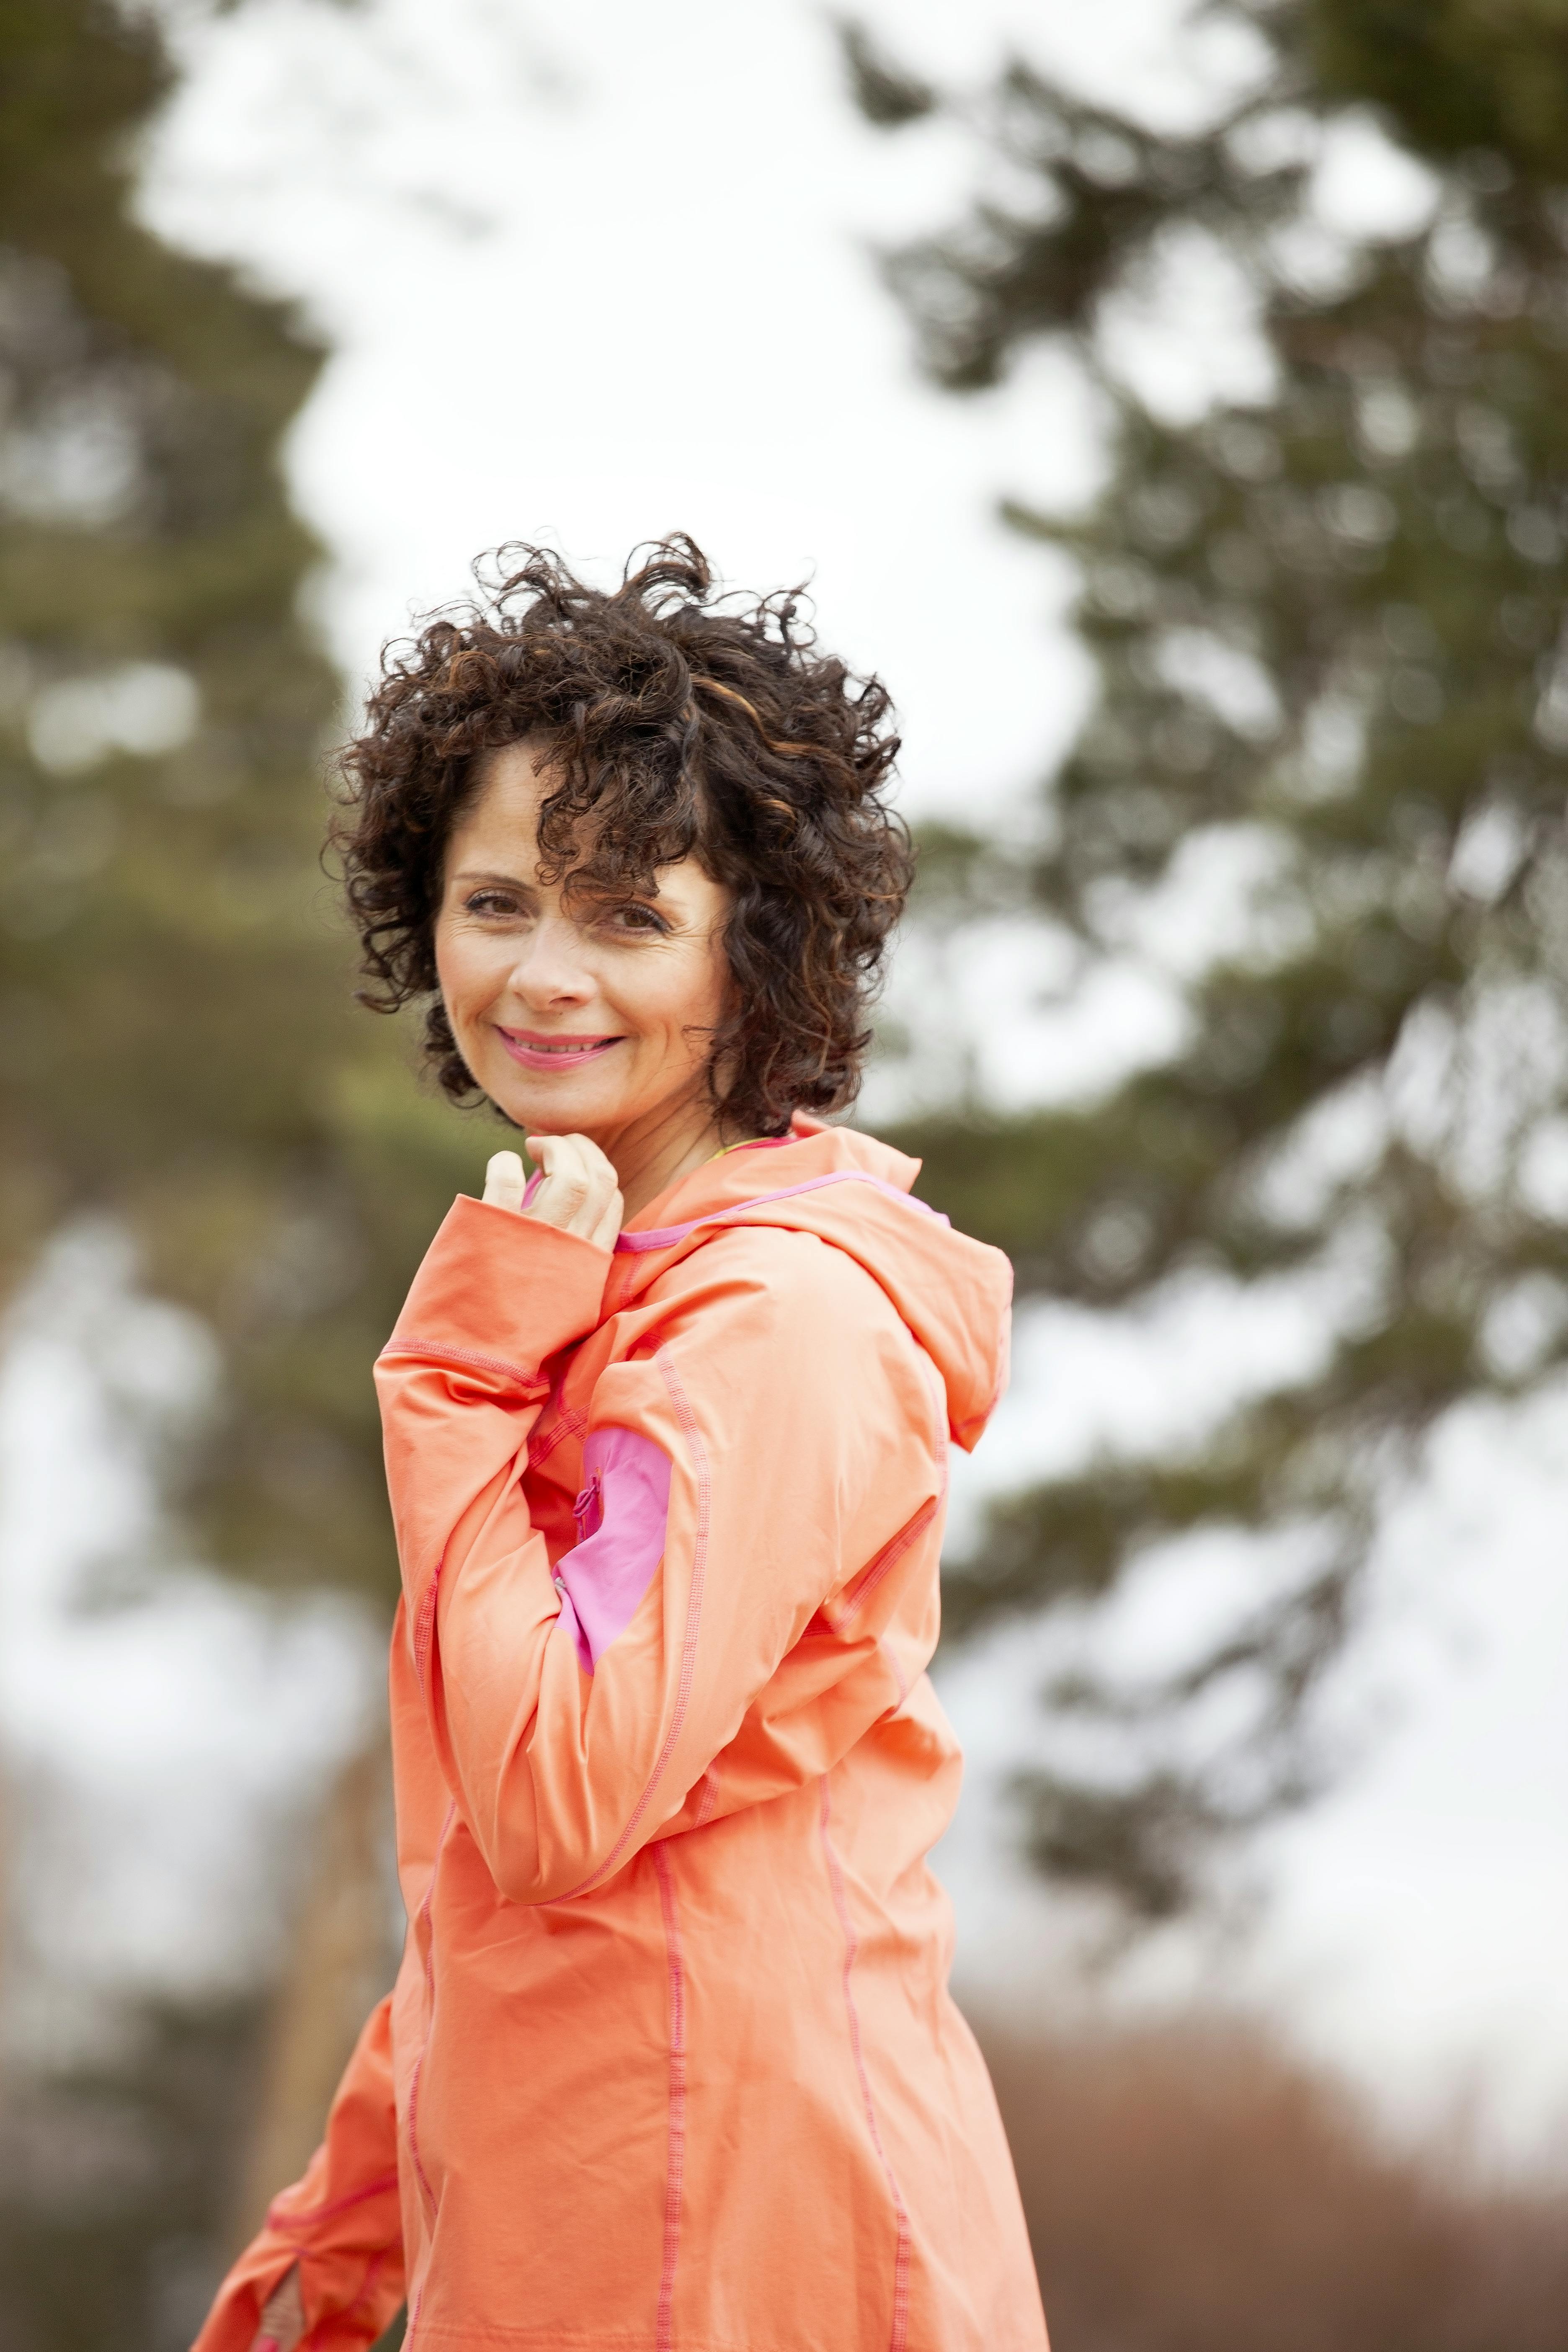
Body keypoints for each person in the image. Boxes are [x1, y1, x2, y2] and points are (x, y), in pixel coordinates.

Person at [193, 539, 1049, 2352]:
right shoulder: (600, 1279)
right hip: (576, 2212)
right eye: (497, 900)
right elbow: (500, 1885)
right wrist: (348, 2226)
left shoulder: (776, 1319)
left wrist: (453, 1377)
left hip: (736, 2236)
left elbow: (556, 1794)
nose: (542, 975)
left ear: (762, 951)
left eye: (628, 918)